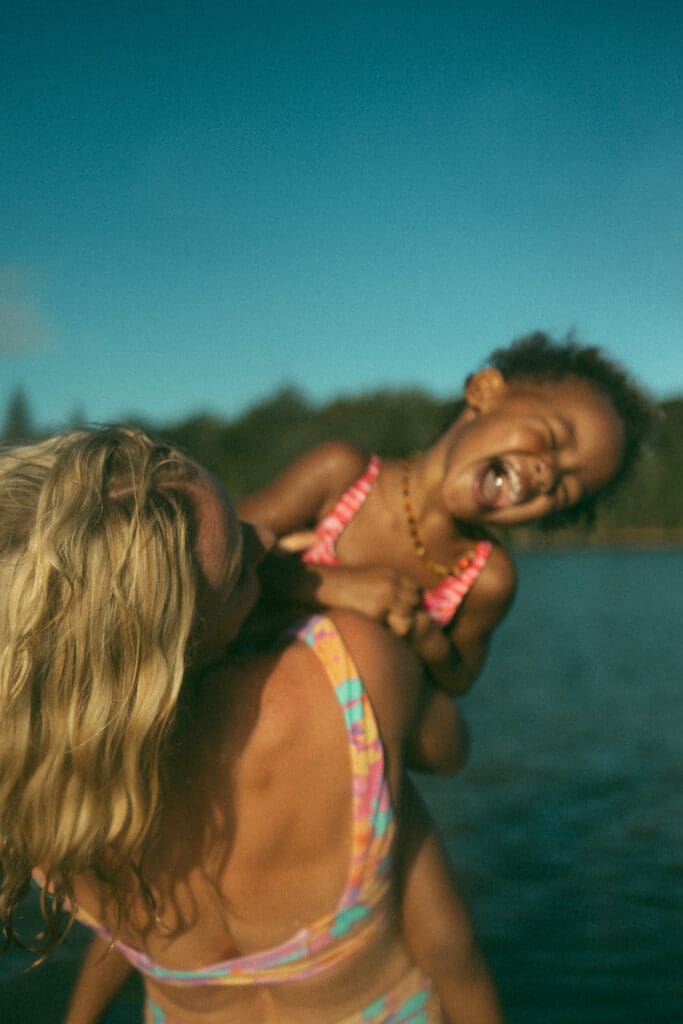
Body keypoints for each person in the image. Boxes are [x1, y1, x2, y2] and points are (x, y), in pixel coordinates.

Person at [0, 427, 503, 1024]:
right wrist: (323, 592)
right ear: (167, 652)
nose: (267, 537)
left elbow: (133, 927)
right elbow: (450, 748)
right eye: (241, 568)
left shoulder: (33, 794)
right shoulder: (351, 672)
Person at [238, 332, 656, 772]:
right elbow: (207, 557)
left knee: (446, 736)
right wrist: (328, 587)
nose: (547, 473)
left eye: (566, 490)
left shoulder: (486, 577)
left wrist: (423, 637)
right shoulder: (340, 475)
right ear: (485, 391)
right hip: (250, 707)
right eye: (552, 437)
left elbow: (459, 678)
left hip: (337, 765)